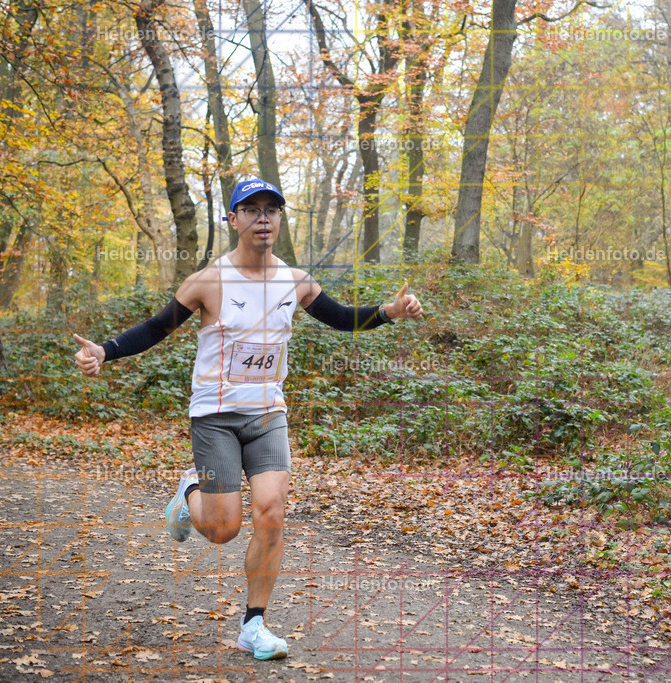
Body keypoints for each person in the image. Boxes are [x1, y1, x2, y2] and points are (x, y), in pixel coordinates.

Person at [72, 178, 423, 661]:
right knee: (223, 530)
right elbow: (155, 329)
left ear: (279, 219)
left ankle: (254, 625)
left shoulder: (295, 281)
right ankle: (190, 491)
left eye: (271, 210)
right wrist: (104, 351)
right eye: (252, 209)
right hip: (215, 417)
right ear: (233, 219)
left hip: (267, 415)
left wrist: (390, 311)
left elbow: (342, 318)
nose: (263, 218)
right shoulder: (208, 281)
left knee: (272, 512)